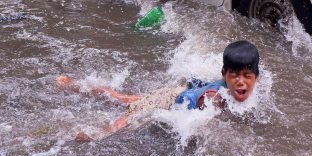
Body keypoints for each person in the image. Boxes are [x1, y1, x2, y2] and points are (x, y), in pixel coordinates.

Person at [56, 40, 260, 141]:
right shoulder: (214, 98)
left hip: (180, 92)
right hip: (169, 101)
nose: (241, 82)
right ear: (224, 74)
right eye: (234, 76)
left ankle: (73, 85)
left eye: (247, 76)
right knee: (120, 119)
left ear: (256, 78)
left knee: (126, 98)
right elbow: (202, 124)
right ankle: (85, 128)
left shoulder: (247, 87)